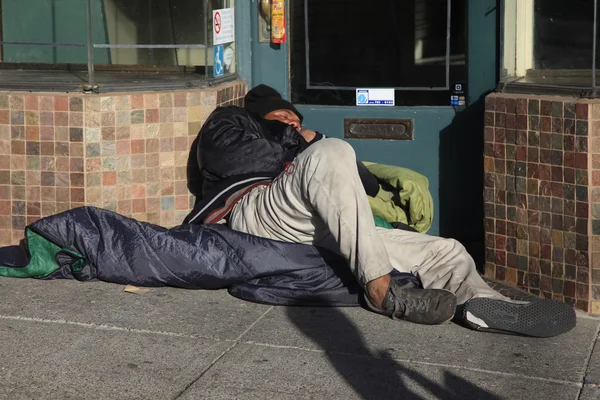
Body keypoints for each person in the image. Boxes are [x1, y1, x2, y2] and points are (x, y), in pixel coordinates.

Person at [186, 84, 575, 337]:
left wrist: (310, 143)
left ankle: (481, 303)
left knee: (447, 249)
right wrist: (300, 140)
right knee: (332, 150)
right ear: (261, 116)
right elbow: (235, 159)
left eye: (295, 118)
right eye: (282, 117)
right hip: (255, 209)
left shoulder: (303, 145)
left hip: (308, 224)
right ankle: (379, 288)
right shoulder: (232, 120)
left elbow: (365, 183)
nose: (291, 121)